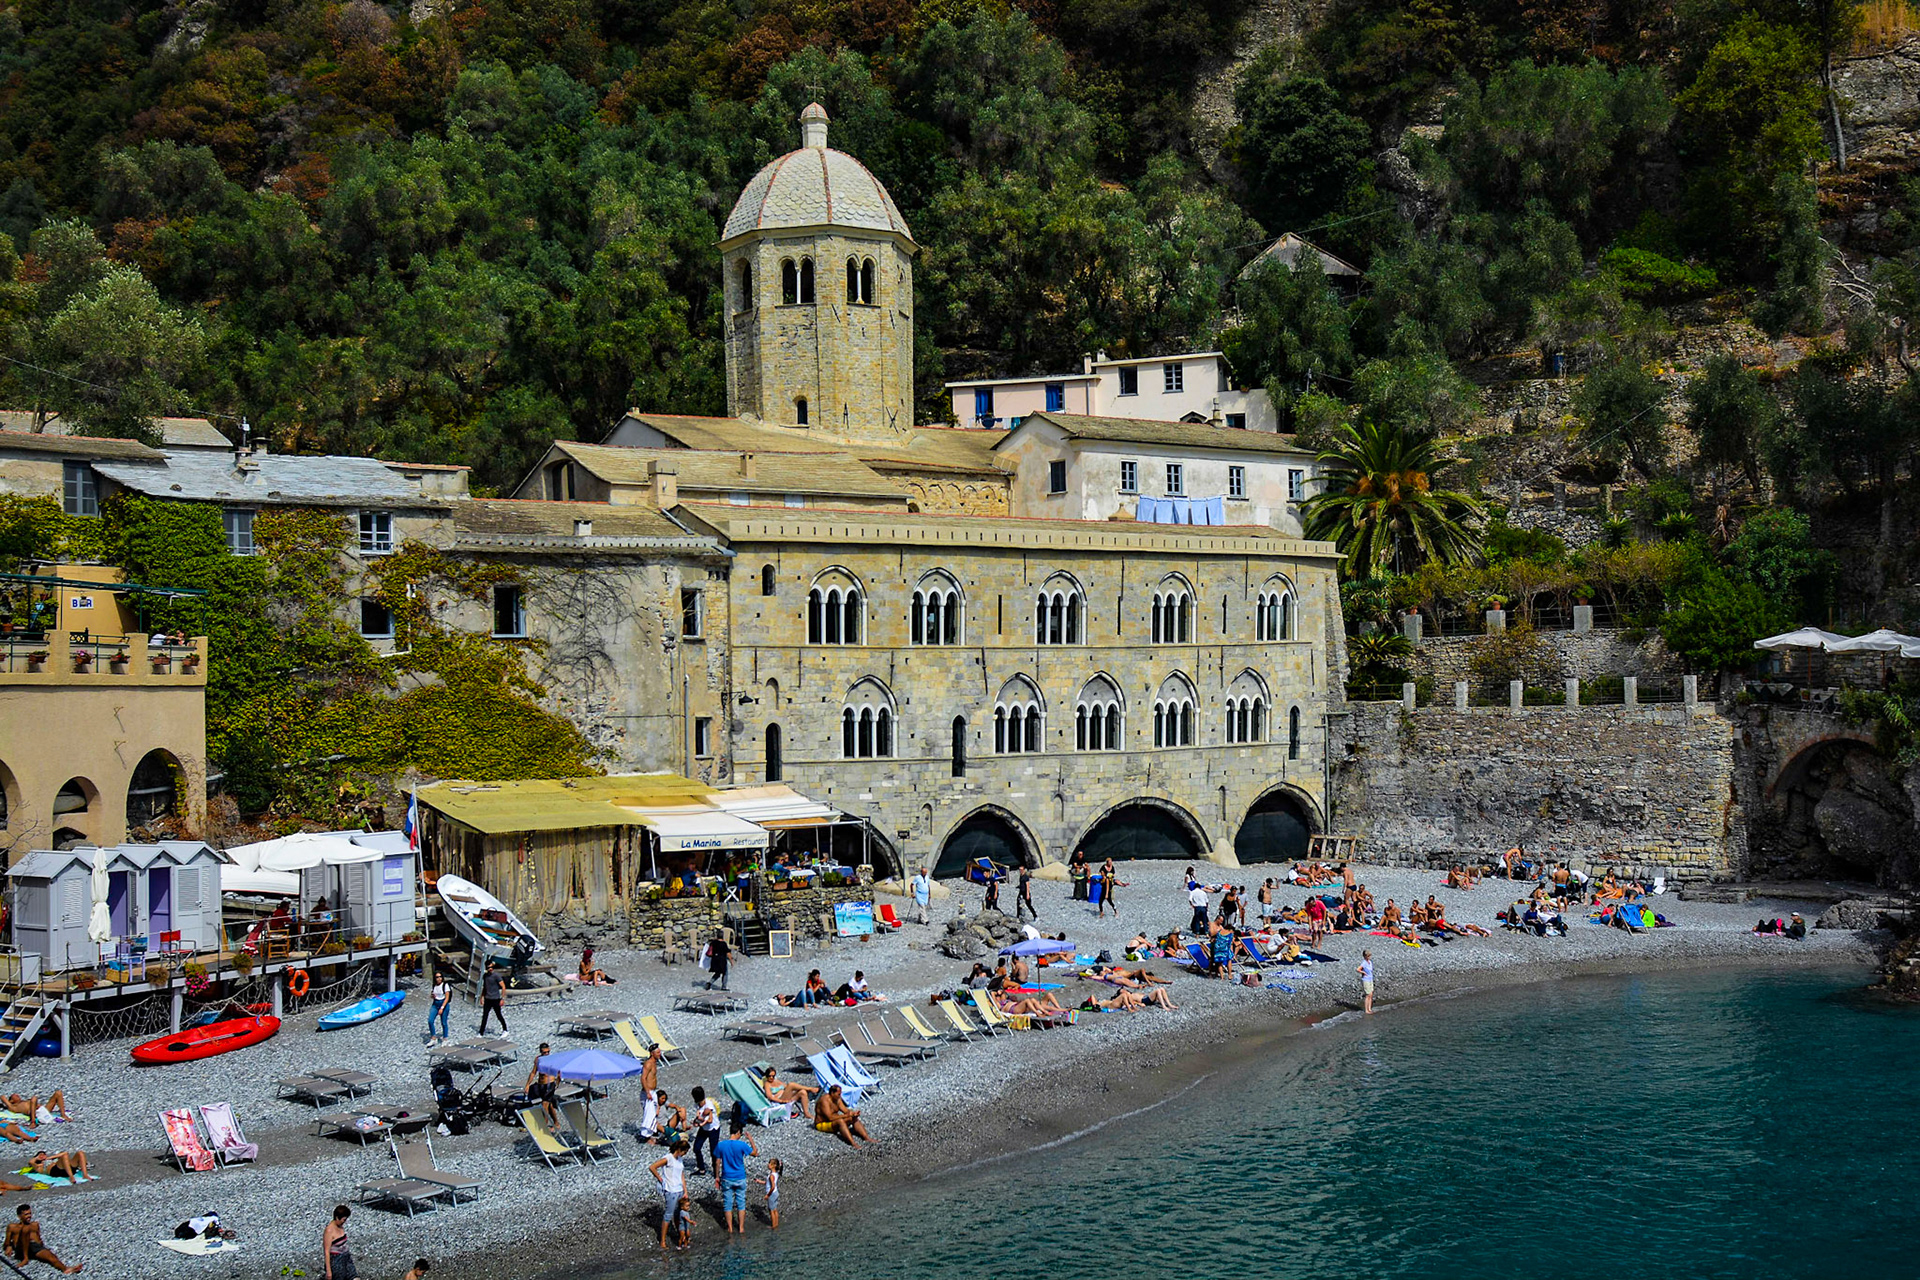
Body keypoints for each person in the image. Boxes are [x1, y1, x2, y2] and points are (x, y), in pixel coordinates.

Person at [7, 1206, 79, 1274]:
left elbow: (38, 1239)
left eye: (30, 1213)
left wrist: (42, 1248)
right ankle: (25, 1258)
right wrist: (9, 1246)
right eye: (26, 1214)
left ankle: (65, 1269)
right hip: (21, 1249)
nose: (29, 1216)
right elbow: (7, 1242)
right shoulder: (13, 1227)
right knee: (25, 1229)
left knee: (51, 1256)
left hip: (34, 1248)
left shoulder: (35, 1225)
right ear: (19, 1216)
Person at [714, 1120, 758, 1234]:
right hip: (740, 1177)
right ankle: (741, 1228)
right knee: (741, 1203)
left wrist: (717, 1176)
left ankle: (730, 1228)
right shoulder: (741, 1145)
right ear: (738, 1132)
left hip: (727, 1177)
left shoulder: (721, 1145)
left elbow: (717, 1162)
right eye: (740, 1134)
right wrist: (750, 1139)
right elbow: (755, 1153)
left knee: (727, 1204)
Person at [650, 1140, 691, 1250]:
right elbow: (652, 1167)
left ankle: (680, 1235)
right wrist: (660, 1179)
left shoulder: (679, 1159)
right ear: (679, 1150)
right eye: (685, 1152)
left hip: (679, 1190)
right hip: (671, 1190)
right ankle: (662, 1241)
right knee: (668, 1215)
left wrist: (685, 1191)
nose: (685, 1154)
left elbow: (682, 1175)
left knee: (679, 1214)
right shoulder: (668, 1158)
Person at [524, 1045, 560, 1126]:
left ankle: (544, 1126)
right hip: (541, 1085)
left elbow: (559, 1072)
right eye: (544, 1052)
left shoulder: (552, 1059)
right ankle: (556, 1123)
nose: (547, 1054)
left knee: (544, 1105)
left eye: (548, 1052)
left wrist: (557, 1082)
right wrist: (527, 1085)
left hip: (550, 1084)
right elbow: (533, 1072)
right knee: (549, 1105)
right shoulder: (538, 1059)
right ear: (541, 1052)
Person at [689, 1085, 720, 1176]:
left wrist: (700, 1121)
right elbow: (700, 1117)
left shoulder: (708, 1105)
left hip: (713, 1128)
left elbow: (709, 1120)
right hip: (704, 1128)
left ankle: (716, 1172)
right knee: (696, 1148)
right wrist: (696, 1122)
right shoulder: (697, 1105)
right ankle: (701, 1168)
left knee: (713, 1150)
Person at [321, 1205, 353, 1280]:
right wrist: (329, 1271)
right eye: (344, 1219)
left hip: (346, 1257)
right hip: (336, 1260)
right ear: (337, 1217)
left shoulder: (340, 1226)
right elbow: (326, 1251)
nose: (344, 1222)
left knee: (354, 1277)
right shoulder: (329, 1231)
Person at [423, 970, 452, 1045]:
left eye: (440, 977)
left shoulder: (445, 985)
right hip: (435, 1004)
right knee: (430, 1020)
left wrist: (442, 1008)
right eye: (437, 977)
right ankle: (433, 1037)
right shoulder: (434, 985)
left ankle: (445, 1038)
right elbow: (433, 995)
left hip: (443, 1004)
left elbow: (447, 998)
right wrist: (432, 996)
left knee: (444, 1022)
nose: (439, 979)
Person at [478, 961, 507, 1034]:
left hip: (495, 999)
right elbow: (485, 987)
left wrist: (502, 999)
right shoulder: (485, 976)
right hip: (487, 999)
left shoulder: (496, 976)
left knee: (499, 1015)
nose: (490, 969)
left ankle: (505, 1029)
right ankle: (481, 1032)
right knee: (485, 1016)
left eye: (492, 967)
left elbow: (503, 986)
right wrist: (481, 997)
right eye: (489, 967)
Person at [763, 1158, 783, 1229]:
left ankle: (773, 1226)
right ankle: (776, 1224)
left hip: (772, 1194)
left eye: (770, 1163)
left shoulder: (771, 1175)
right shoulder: (776, 1174)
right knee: (775, 1209)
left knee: (771, 1210)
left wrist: (768, 1195)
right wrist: (760, 1181)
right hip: (776, 1193)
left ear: (774, 1165)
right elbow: (768, 1183)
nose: (768, 1165)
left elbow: (772, 1186)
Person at [1357, 949, 1374, 1015]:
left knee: (1371, 994)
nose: (1369, 957)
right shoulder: (1364, 963)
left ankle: (1369, 1008)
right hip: (1366, 980)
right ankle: (1366, 1010)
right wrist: (1363, 972)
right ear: (1365, 956)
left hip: (1370, 979)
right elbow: (1358, 969)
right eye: (1368, 956)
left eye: (1369, 956)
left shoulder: (1370, 962)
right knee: (1368, 994)